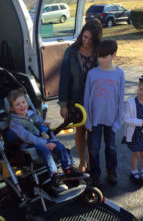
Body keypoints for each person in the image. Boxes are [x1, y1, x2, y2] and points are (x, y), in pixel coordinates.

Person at [8, 89, 89, 193]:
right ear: (12, 108)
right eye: (17, 104)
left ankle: (69, 169)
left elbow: (41, 125)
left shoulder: (32, 114)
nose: (22, 106)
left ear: (27, 102)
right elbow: (27, 137)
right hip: (28, 145)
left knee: (59, 145)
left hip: (41, 139)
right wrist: (45, 143)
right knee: (46, 151)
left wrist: (45, 132)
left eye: (23, 102)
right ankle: (55, 177)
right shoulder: (15, 123)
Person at [59, 19, 102, 173]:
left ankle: (91, 161)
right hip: (75, 100)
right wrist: (63, 104)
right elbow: (64, 78)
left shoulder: (99, 52)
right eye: (85, 37)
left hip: (95, 100)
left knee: (93, 133)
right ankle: (82, 162)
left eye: (90, 39)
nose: (87, 41)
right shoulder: (71, 52)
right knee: (80, 131)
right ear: (81, 34)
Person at [84, 39, 125, 186]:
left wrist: (118, 121)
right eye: (99, 56)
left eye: (104, 56)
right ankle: (95, 174)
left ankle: (111, 172)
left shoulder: (120, 74)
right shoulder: (92, 74)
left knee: (111, 147)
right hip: (94, 119)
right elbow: (87, 98)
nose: (100, 59)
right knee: (94, 148)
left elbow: (121, 99)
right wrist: (88, 120)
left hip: (111, 119)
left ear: (113, 55)